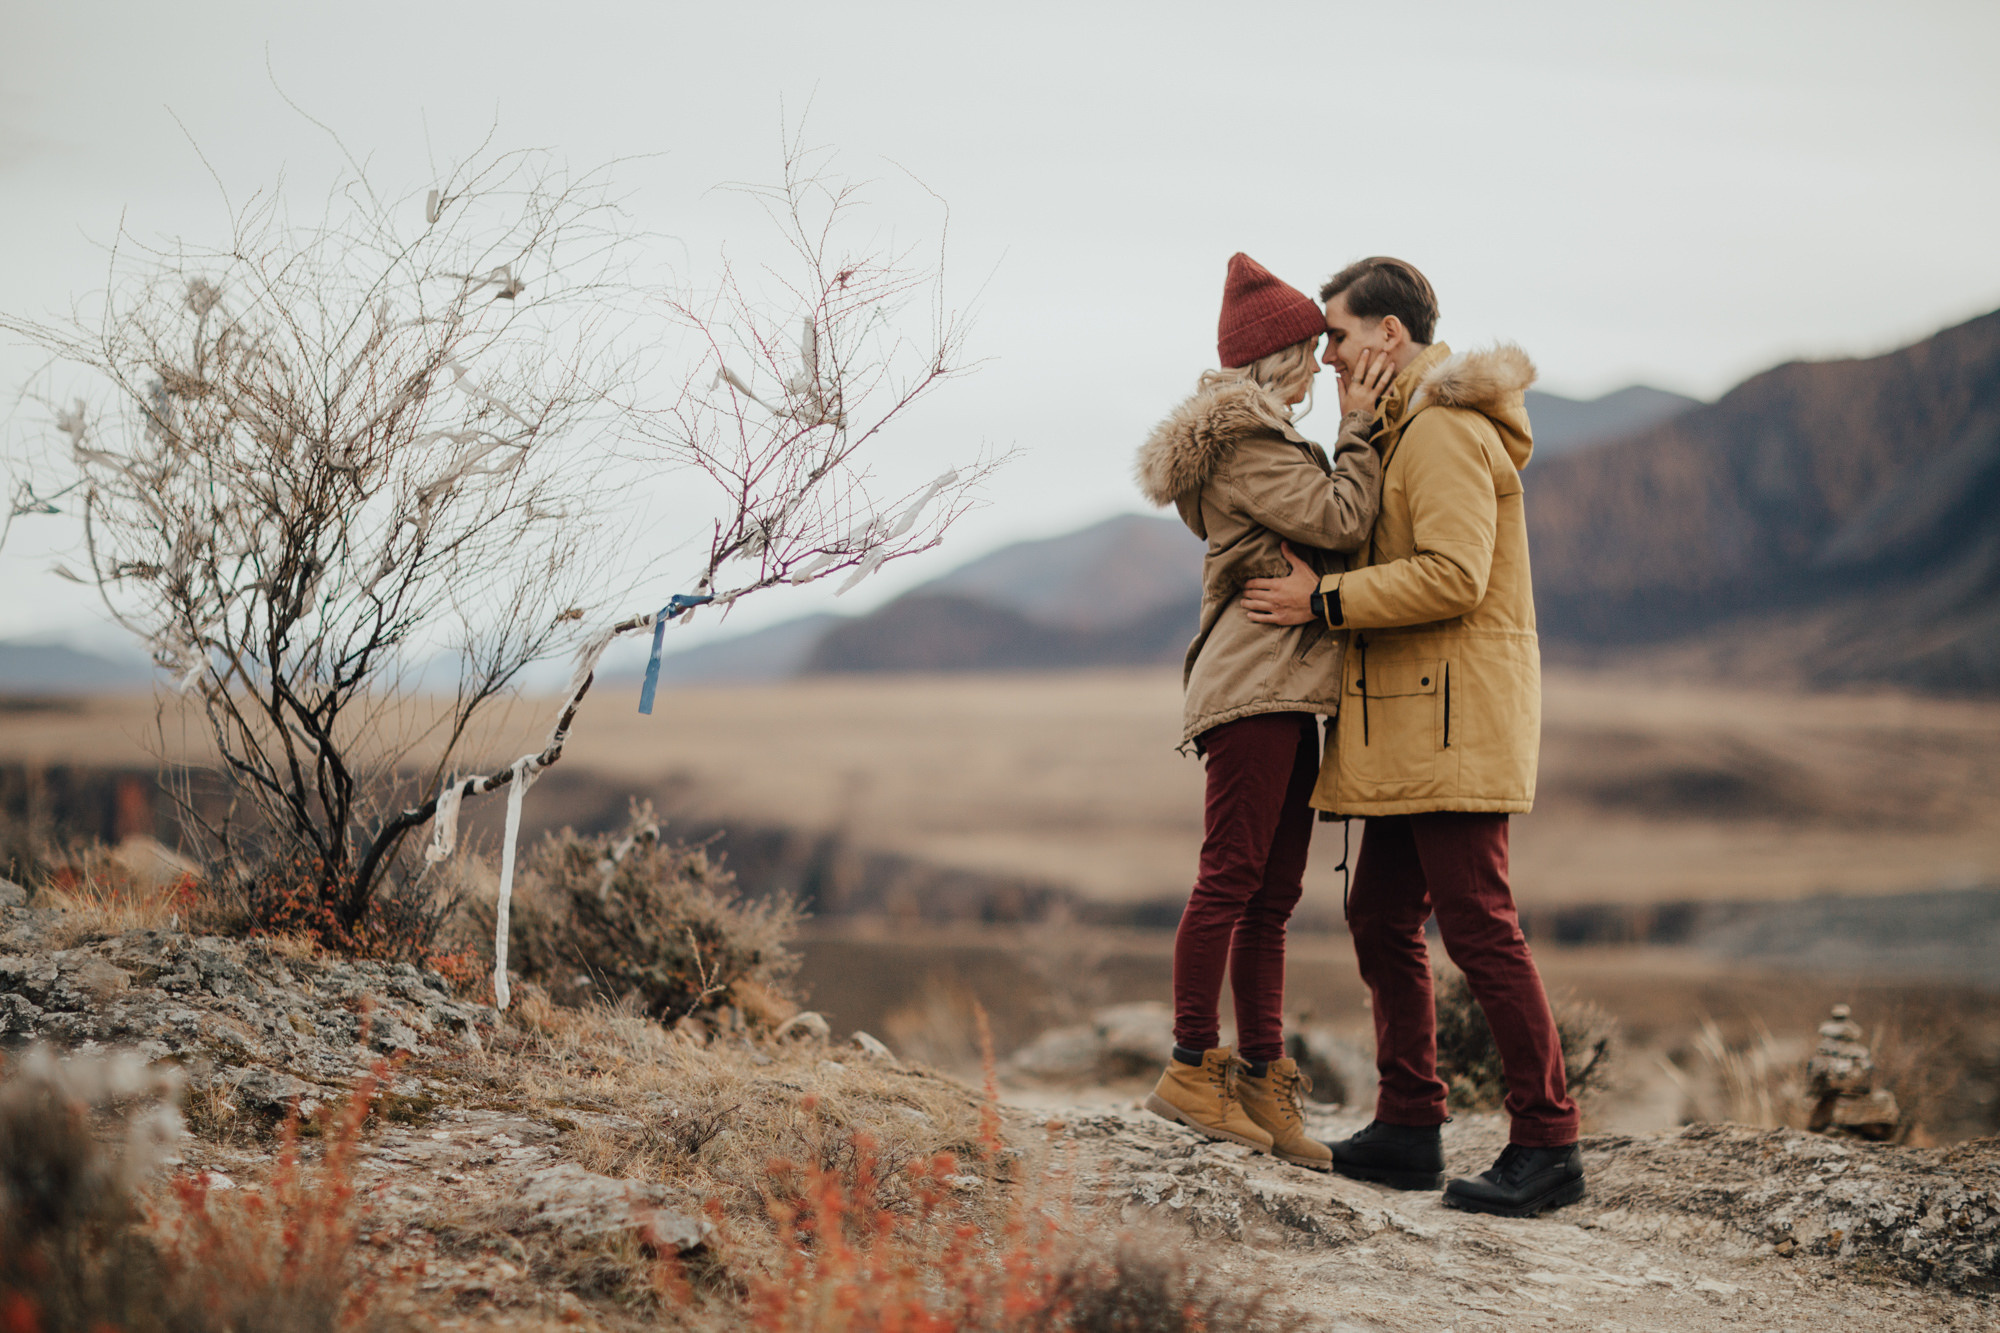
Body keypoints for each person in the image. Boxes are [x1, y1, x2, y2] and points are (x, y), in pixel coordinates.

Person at [1240, 256, 1585, 1217]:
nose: (1330, 354)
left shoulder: (1437, 430)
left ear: (1389, 335)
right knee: (1381, 913)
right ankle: (1408, 1124)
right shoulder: (1397, 429)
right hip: (1411, 721)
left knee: (1479, 924)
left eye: (1340, 336)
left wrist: (1324, 598)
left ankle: (1548, 1141)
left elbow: (1453, 575)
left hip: (1452, 719)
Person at [1133, 252, 1393, 1169]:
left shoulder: (1257, 437)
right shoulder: (1250, 442)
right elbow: (1341, 518)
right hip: (1254, 689)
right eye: (1315, 348)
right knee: (1232, 877)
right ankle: (1191, 1067)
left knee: (1271, 895)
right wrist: (1360, 426)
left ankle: (1260, 1074)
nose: (1326, 364)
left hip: (1284, 687)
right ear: (1278, 357)